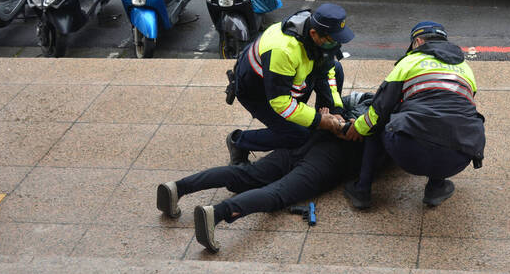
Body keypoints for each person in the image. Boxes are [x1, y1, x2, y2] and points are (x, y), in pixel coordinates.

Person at [156, 94, 373, 253]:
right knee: (277, 193)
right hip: (328, 159)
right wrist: (344, 126)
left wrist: (333, 118)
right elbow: (360, 133)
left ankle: (178, 187)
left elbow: (333, 108)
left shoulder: (366, 97)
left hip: (306, 139)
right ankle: (218, 213)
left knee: (247, 174)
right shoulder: (388, 116)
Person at [342, 21, 485, 209]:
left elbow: (380, 109)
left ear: (417, 41)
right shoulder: (465, 68)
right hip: (459, 157)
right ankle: (436, 188)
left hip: (409, 153)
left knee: (377, 122)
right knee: (450, 124)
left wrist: (357, 127)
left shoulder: (409, 62)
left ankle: (362, 191)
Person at [226, 3, 354, 165]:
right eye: (332, 40)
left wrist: (335, 111)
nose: (336, 44)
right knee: (297, 135)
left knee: (336, 68)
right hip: (259, 92)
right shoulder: (283, 50)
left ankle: (321, 125)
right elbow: (281, 103)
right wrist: (318, 119)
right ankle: (239, 142)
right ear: (313, 33)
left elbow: (328, 73)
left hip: (287, 82)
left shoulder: (322, 37)